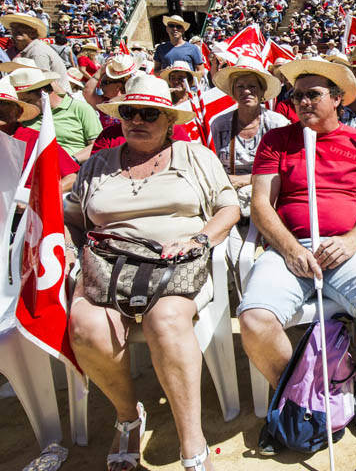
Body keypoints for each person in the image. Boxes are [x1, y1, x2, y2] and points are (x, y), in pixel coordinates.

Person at [63, 73, 240, 471]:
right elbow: (74, 217)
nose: (138, 120)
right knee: (85, 326)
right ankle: (128, 416)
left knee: (166, 319)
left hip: (176, 264)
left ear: (169, 121)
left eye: (150, 114)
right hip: (110, 266)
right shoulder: (97, 165)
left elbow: (229, 209)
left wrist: (201, 239)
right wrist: (74, 252)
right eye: (130, 112)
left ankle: (192, 441)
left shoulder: (196, 157)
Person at [237, 57, 356, 443]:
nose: (303, 103)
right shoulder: (277, 140)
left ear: (338, 99)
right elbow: (262, 204)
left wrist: (350, 242)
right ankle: (298, 391)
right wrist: (291, 249)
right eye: (297, 97)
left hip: (345, 248)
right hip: (289, 250)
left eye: (313, 94)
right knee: (254, 320)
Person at [209, 55, 288, 263]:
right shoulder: (219, 124)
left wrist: (244, 180)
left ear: (262, 92)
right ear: (233, 92)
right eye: (241, 86)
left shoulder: (277, 123)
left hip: (270, 197)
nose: (246, 92)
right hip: (230, 199)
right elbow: (215, 167)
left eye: (253, 86)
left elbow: (285, 170)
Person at [10, 58, 101, 162]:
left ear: (43, 92)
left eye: (27, 100)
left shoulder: (79, 109)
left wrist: (70, 161)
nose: (25, 106)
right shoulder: (25, 115)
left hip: (75, 170)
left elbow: (97, 146)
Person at [0, 74, 78, 193]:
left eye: (4, 103)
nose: (1, 109)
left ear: (18, 112)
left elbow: (72, 178)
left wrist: (36, 199)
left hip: (23, 207)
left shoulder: (36, 140)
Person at [0, 13, 69, 91]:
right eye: (13, 27)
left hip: (56, 98)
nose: (16, 30)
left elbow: (42, 85)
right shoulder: (25, 49)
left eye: (21, 26)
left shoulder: (37, 51)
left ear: (32, 32)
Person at [83, 53, 140, 129]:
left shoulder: (135, 101)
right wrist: (100, 71)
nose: (100, 86)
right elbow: (87, 90)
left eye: (104, 83)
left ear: (118, 86)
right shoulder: (104, 102)